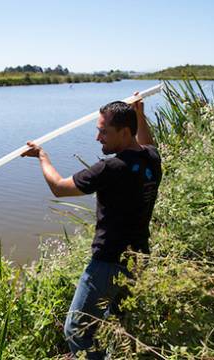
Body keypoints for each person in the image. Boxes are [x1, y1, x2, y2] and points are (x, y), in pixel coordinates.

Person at [21, 93, 162, 359]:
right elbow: (145, 142)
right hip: (139, 257)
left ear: (123, 132)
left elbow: (59, 188)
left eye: (104, 132)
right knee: (120, 321)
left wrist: (41, 155)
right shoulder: (152, 160)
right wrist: (139, 113)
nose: (98, 138)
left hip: (107, 263)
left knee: (76, 329)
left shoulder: (111, 168)